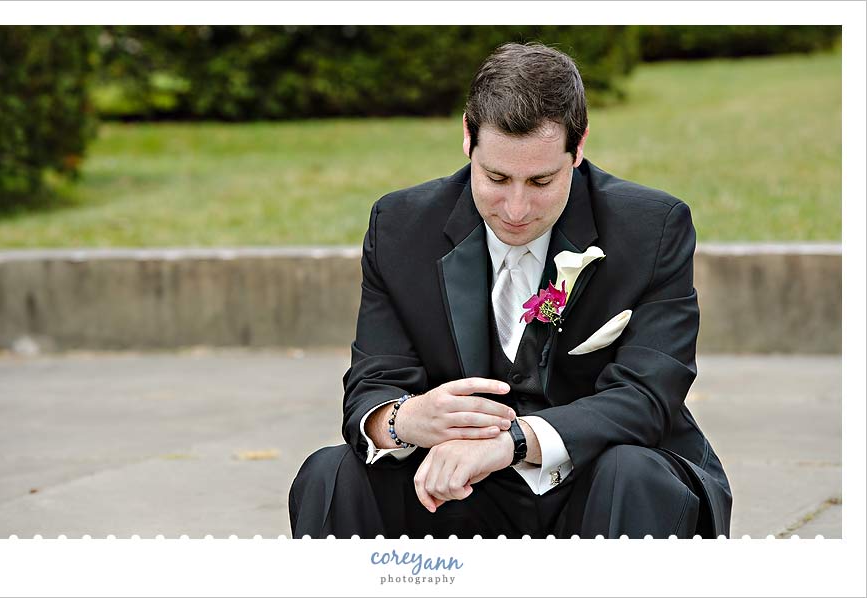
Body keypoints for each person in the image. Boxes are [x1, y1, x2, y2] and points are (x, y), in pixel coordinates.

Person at [288, 42, 732, 539]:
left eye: (541, 181)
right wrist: (404, 420)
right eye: (496, 177)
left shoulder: (652, 228)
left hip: (598, 484)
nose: (516, 209)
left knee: (632, 472)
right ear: (467, 137)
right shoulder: (400, 226)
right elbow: (374, 382)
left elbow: (648, 395)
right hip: (456, 492)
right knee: (329, 473)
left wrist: (515, 441)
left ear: (579, 147)